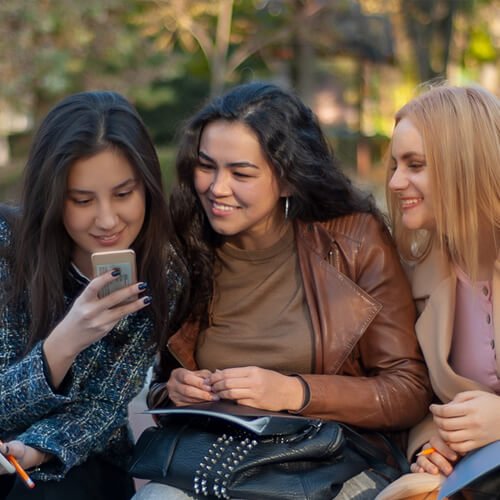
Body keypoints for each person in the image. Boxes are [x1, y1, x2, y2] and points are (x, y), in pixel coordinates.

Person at [133, 81, 433, 500]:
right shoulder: (185, 248)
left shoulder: (354, 242)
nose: (217, 188)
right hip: (217, 463)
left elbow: (409, 390)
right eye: (207, 166)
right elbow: (160, 383)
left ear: (288, 180)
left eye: (241, 173)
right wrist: (175, 390)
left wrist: (294, 391)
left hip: (327, 462)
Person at [0, 91, 181, 499]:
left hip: (81, 458)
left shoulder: (162, 273)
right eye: (82, 200)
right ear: (53, 197)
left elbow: (103, 407)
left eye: (123, 194)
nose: (107, 220)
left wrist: (34, 450)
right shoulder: (7, 247)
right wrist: (61, 346)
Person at [382, 84, 499, 497]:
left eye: (415, 165)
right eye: (396, 164)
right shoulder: (414, 276)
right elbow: (425, 398)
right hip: (470, 476)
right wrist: (432, 446)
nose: (396, 182)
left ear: (466, 164)